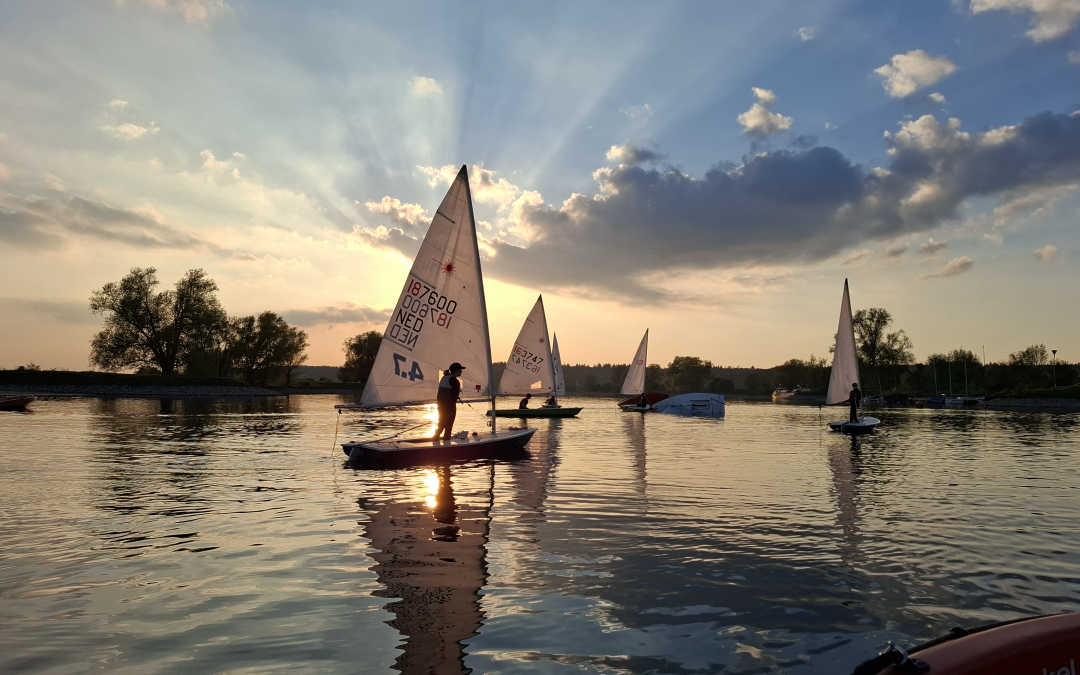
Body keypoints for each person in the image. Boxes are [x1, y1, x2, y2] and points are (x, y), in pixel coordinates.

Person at [434, 362, 464, 440]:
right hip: (449, 406)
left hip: (441, 405)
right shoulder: (454, 380)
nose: (461, 371)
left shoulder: (444, 377)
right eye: (460, 370)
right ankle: (446, 440)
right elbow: (454, 395)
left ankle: (435, 438)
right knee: (448, 424)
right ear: (456, 371)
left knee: (442, 423)